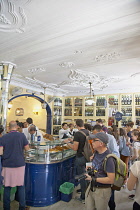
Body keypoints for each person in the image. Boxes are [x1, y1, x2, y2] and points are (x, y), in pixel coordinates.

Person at [0, 121, 29, 210]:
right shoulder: (22, 136)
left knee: (7, 187)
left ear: (8, 127)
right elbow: (27, 149)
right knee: (20, 186)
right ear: (16, 127)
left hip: (7, 164)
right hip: (20, 164)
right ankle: (22, 207)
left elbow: (0, 152)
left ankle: (6, 207)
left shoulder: (3, 137)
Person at [91, 125, 119, 210]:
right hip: (98, 176)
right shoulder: (97, 150)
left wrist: (107, 159)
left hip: (108, 169)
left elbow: (115, 153)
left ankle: (111, 206)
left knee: (109, 194)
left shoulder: (110, 138)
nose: (92, 141)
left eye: (95, 134)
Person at [85, 132, 115, 210]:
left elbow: (111, 180)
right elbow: (97, 167)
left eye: (94, 140)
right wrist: (91, 168)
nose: (92, 142)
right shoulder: (96, 153)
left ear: (101, 143)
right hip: (92, 186)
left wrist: (93, 179)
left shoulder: (109, 158)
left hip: (102, 190)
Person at [64, 119, 89, 203]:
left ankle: (83, 197)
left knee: (82, 177)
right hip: (87, 157)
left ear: (76, 125)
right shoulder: (87, 132)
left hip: (80, 157)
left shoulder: (78, 133)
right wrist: (73, 140)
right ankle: (85, 191)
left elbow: (75, 148)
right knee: (87, 175)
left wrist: (67, 143)